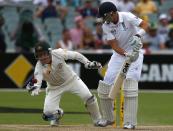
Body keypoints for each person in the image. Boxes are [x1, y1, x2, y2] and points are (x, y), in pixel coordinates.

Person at [26, 41, 105, 127]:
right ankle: (58, 114)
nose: (43, 57)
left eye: (44, 54)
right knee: (48, 113)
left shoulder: (58, 53)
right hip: (54, 87)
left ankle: (97, 120)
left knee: (88, 97)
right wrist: (35, 87)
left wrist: (87, 63)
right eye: (40, 55)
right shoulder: (39, 67)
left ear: (49, 52)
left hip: (71, 80)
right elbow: (37, 82)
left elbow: (75, 55)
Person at [97, 2, 148, 129]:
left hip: (135, 54)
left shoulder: (127, 16)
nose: (104, 20)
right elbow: (114, 46)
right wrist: (126, 54)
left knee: (130, 85)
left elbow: (146, 25)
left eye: (105, 16)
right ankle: (107, 118)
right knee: (105, 85)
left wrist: (138, 35)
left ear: (112, 13)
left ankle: (130, 122)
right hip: (120, 55)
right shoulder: (106, 26)